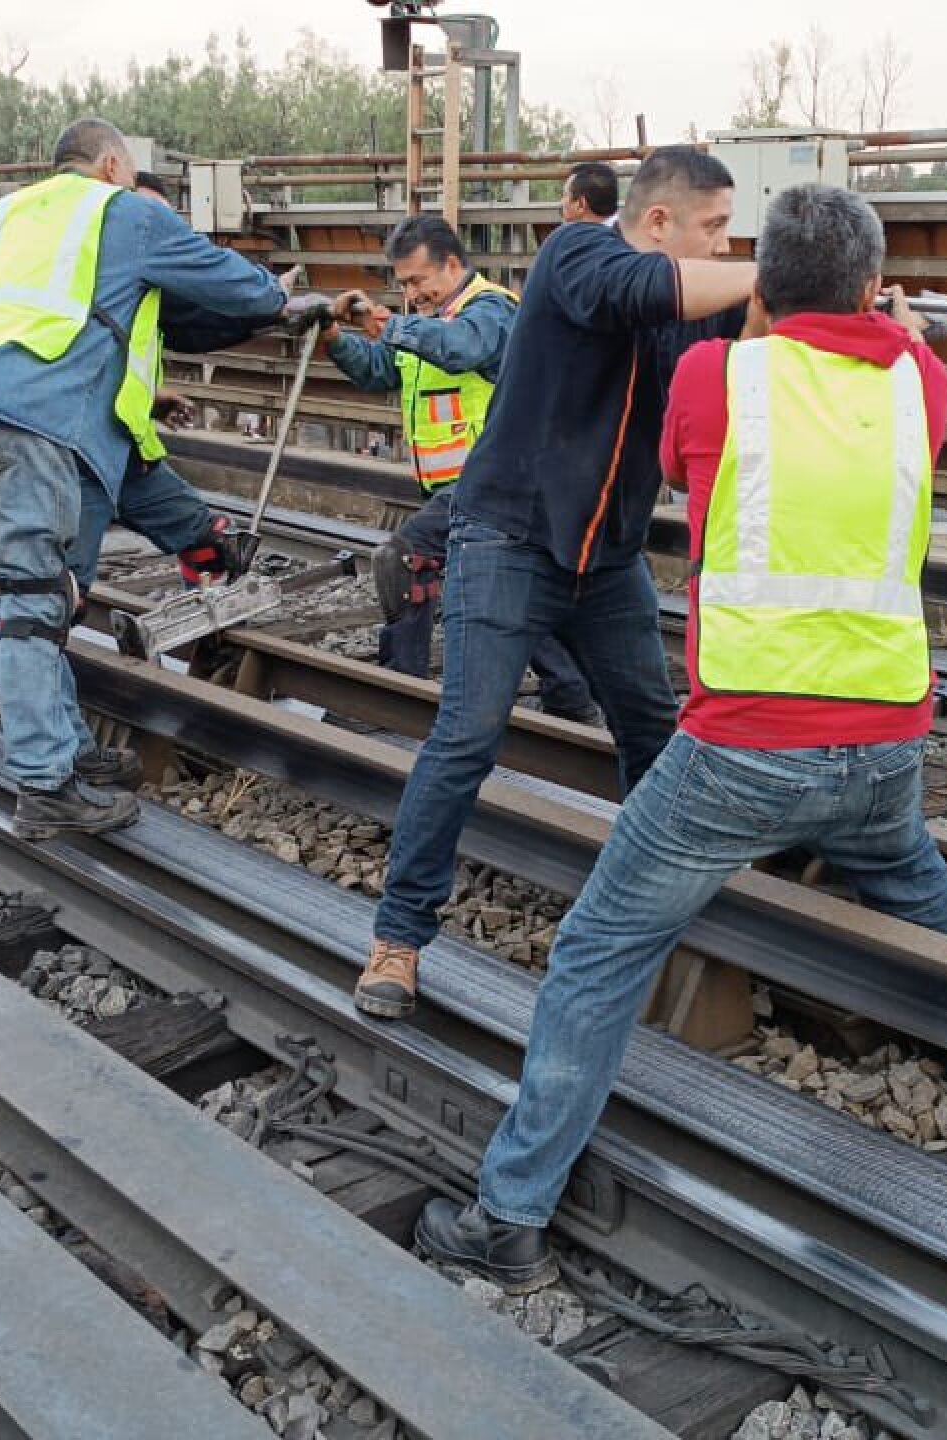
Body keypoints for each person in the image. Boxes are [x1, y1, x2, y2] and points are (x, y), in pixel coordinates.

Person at [413, 183, 947, 1286]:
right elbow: (883, 370)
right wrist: (893, 329)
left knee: (594, 955)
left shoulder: (718, 376)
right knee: (907, 876)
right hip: (888, 745)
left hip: (745, 753)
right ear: (871, 288)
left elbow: (682, 464)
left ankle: (509, 1216)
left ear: (764, 284)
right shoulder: (923, 377)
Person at [352, 147, 760, 1019]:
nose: (725, 249)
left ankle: (660, 908)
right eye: (715, 230)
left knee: (654, 725)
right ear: (659, 224)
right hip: (509, 537)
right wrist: (778, 273)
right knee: (467, 734)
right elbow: (645, 294)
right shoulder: (577, 254)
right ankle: (397, 938)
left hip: (606, 559)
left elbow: (755, 343)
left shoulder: (692, 302)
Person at [0, 118, 328, 837]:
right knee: (36, 600)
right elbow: (221, 277)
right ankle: (44, 783)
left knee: (53, 590)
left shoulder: (16, 214)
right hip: (38, 416)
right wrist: (280, 299)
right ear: (114, 163)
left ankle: (68, 751)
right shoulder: (121, 210)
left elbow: (121, 315)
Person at [0, 166, 265, 755]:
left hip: (132, 448)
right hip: (86, 449)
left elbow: (196, 328)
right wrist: (282, 299)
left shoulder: (145, 280)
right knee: (58, 588)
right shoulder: (96, 267)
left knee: (211, 539)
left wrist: (156, 397)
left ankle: (210, 656)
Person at [321, 215, 602, 724]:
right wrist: (337, 340)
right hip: (465, 487)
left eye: (418, 281)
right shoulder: (426, 323)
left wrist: (388, 323)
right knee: (503, 590)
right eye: (403, 284)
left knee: (403, 558)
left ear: (451, 264)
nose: (412, 293)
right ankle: (570, 693)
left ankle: (398, 690)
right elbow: (382, 370)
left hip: (502, 482)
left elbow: (465, 349)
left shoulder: (493, 309)